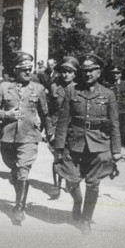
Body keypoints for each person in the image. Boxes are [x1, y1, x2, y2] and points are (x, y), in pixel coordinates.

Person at [54, 53, 121, 234]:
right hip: (74, 142)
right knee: (70, 179)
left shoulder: (108, 94)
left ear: (99, 72)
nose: (88, 74)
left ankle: (86, 218)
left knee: (93, 183)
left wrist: (116, 150)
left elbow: (114, 124)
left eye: (92, 70)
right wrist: (58, 147)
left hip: (99, 144)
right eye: (85, 71)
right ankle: (77, 201)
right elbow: (62, 121)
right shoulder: (72, 91)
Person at [0, 51, 51, 225]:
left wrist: (49, 132)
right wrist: (6, 114)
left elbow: (45, 113)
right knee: (13, 167)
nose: (27, 72)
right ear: (16, 70)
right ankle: (14, 175)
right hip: (8, 136)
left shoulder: (38, 89)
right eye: (23, 69)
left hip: (29, 135)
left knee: (24, 169)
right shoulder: (4, 87)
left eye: (29, 69)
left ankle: (19, 208)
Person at [47, 56, 78, 199]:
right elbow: (49, 110)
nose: (66, 74)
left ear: (75, 74)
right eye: (64, 71)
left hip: (73, 129)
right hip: (57, 128)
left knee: (71, 157)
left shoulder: (78, 89)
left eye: (70, 72)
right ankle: (56, 186)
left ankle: (69, 182)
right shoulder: (55, 87)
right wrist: (48, 129)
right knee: (57, 157)